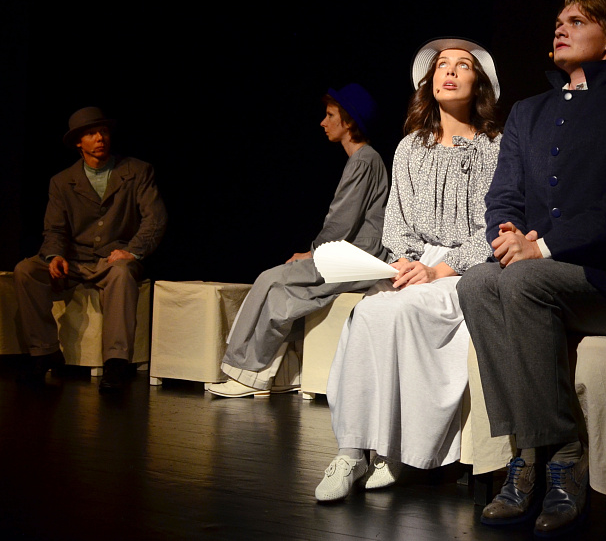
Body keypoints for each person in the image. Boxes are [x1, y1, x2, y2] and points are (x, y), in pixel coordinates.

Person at [456, 0, 606, 537]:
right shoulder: (528, 111)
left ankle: (564, 453)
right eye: (558, 21)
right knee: (477, 282)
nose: (560, 28)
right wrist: (506, 234)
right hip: (537, 275)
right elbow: (503, 195)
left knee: (523, 280)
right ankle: (526, 455)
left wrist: (542, 247)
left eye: (576, 21)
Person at [315, 37, 503, 502]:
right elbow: (396, 224)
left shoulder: (494, 148)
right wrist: (404, 260)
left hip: (466, 270)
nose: (450, 71)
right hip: (415, 264)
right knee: (366, 313)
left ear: (479, 83)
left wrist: (440, 270)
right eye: (442, 65)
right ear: (429, 81)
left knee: (400, 313)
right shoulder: (409, 149)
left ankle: (397, 449)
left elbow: (494, 228)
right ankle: (352, 450)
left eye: (463, 65)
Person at [209, 83, 389, 398]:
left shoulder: (364, 160)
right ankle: (279, 374)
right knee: (281, 294)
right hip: (350, 256)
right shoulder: (363, 159)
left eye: (330, 115)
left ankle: (249, 373)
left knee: (270, 279)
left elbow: (342, 221)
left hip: (355, 259)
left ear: (348, 121)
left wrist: (314, 253)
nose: (323, 122)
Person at [14, 106, 167, 393]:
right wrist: (55, 256)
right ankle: (44, 351)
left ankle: (116, 362)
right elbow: (55, 229)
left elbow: (154, 218)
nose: (100, 138)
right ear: (78, 142)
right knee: (26, 270)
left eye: (103, 132)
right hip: (74, 259)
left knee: (121, 273)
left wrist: (133, 251)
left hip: (113, 258)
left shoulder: (136, 171)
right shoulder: (62, 181)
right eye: (91, 134)